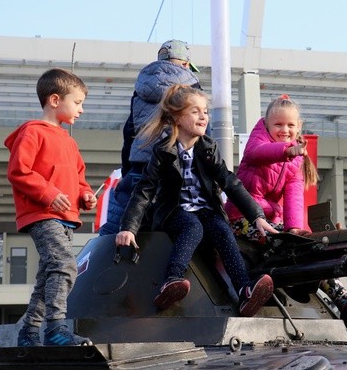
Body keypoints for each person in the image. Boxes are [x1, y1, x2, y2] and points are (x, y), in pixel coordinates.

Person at [224, 94, 347, 339]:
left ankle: (346, 301)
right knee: (285, 248)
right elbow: (258, 153)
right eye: (278, 125)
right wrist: (288, 151)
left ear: (299, 126)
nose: (284, 130)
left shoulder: (295, 159)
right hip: (242, 217)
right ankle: (346, 301)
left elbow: (294, 195)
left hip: (271, 222)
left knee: (305, 248)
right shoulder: (259, 142)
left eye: (290, 125)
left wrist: (293, 229)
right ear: (266, 124)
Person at [115, 84, 277, 316]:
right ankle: (172, 280)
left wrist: (257, 216)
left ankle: (244, 290)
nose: (203, 117)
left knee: (222, 230)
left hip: (205, 209)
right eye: (195, 111)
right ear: (178, 118)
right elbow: (144, 190)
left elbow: (229, 182)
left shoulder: (209, 148)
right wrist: (129, 228)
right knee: (193, 227)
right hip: (174, 211)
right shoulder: (163, 151)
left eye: (205, 111)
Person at [5, 68, 97, 347]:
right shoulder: (32, 132)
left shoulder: (70, 142)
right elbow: (18, 171)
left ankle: (29, 333)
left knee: (48, 276)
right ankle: (57, 328)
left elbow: (79, 180)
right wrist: (47, 193)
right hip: (42, 215)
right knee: (64, 266)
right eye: (78, 102)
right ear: (55, 100)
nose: (81, 109)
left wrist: (86, 195)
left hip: (66, 218)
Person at [99, 39, 201, 236]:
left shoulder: (141, 88)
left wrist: (129, 169)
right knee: (176, 231)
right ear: (186, 64)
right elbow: (199, 133)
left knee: (128, 228)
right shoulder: (190, 88)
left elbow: (129, 133)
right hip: (173, 169)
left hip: (139, 168)